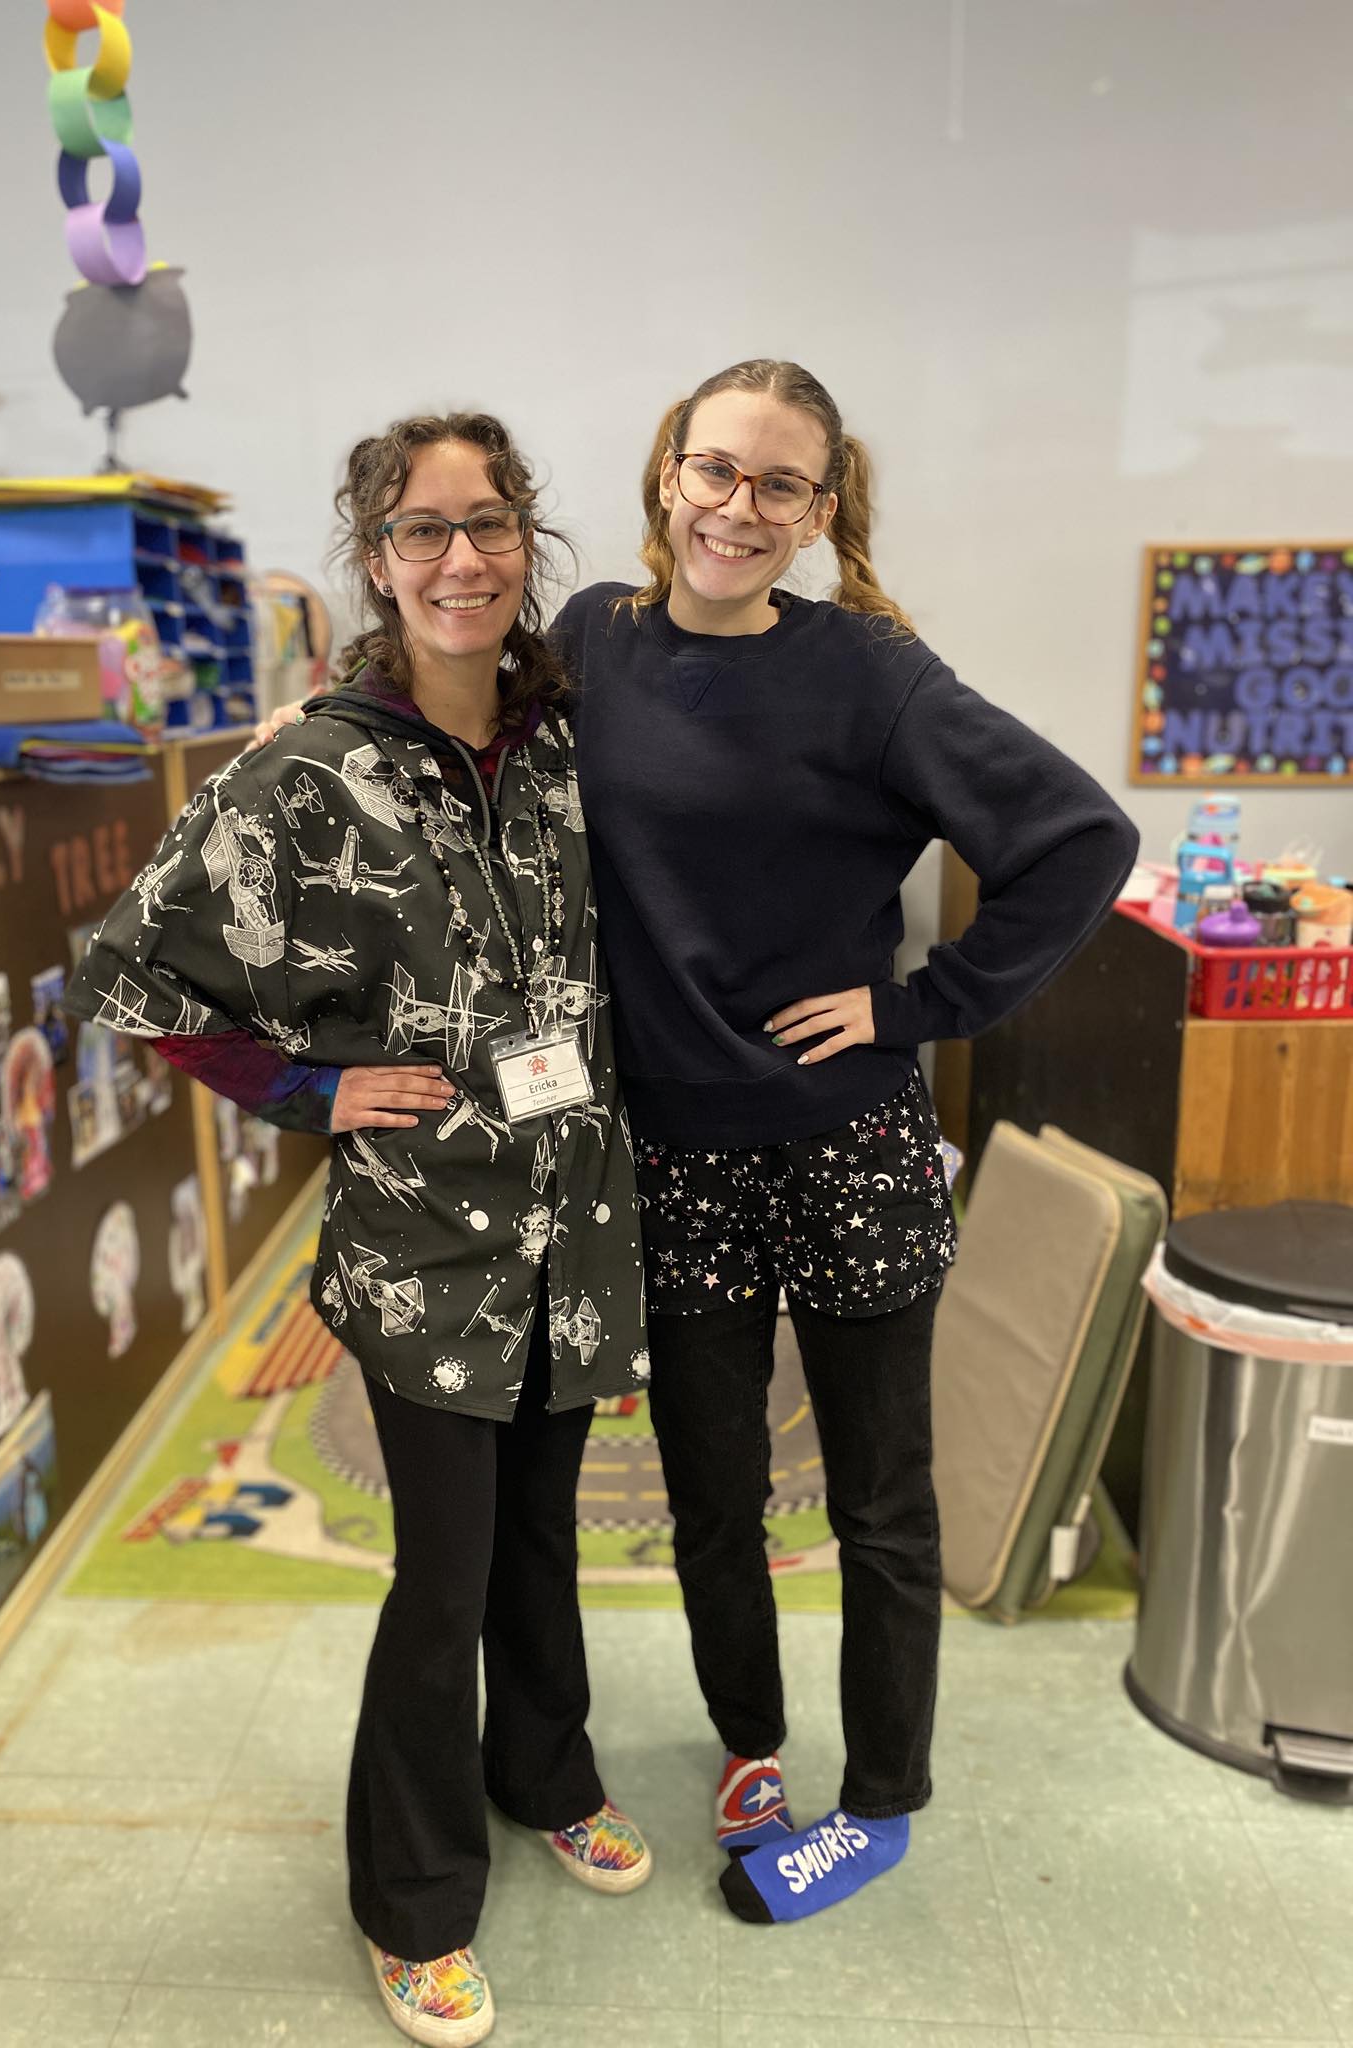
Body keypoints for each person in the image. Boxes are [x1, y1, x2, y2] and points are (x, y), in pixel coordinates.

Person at [259, 359, 1139, 1930]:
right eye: (716, 471)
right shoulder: (593, 639)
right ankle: (752, 1744)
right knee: (711, 1494)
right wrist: (324, 718)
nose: (740, 509)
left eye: (781, 486)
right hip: (668, 1157)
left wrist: (923, 1002)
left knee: (878, 1502)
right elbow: (451, 670)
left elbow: (1079, 841)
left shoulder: (874, 675)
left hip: (849, 1145)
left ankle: (878, 1801)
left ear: (820, 510)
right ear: (669, 472)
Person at [64, 412, 653, 2046]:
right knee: (445, 1580)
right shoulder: (307, 769)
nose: (459, 559)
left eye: (487, 524)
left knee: (547, 1544)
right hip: (424, 1250)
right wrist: (312, 1093)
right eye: (420, 532)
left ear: (526, 538)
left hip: (574, 1230)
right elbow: (130, 976)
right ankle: (412, 1904)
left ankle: (550, 1778)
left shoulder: (570, 736)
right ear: (377, 559)